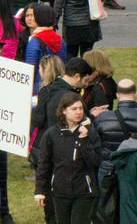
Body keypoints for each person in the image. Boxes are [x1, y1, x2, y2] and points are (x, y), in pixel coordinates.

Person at [33, 94, 101, 224]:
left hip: (84, 192)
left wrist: (83, 140)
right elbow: (44, 164)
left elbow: (95, 161)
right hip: (60, 191)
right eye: (74, 109)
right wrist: (40, 190)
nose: (78, 112)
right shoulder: (52, 134)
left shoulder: (90, 132)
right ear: (64, 110)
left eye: (80, 108)